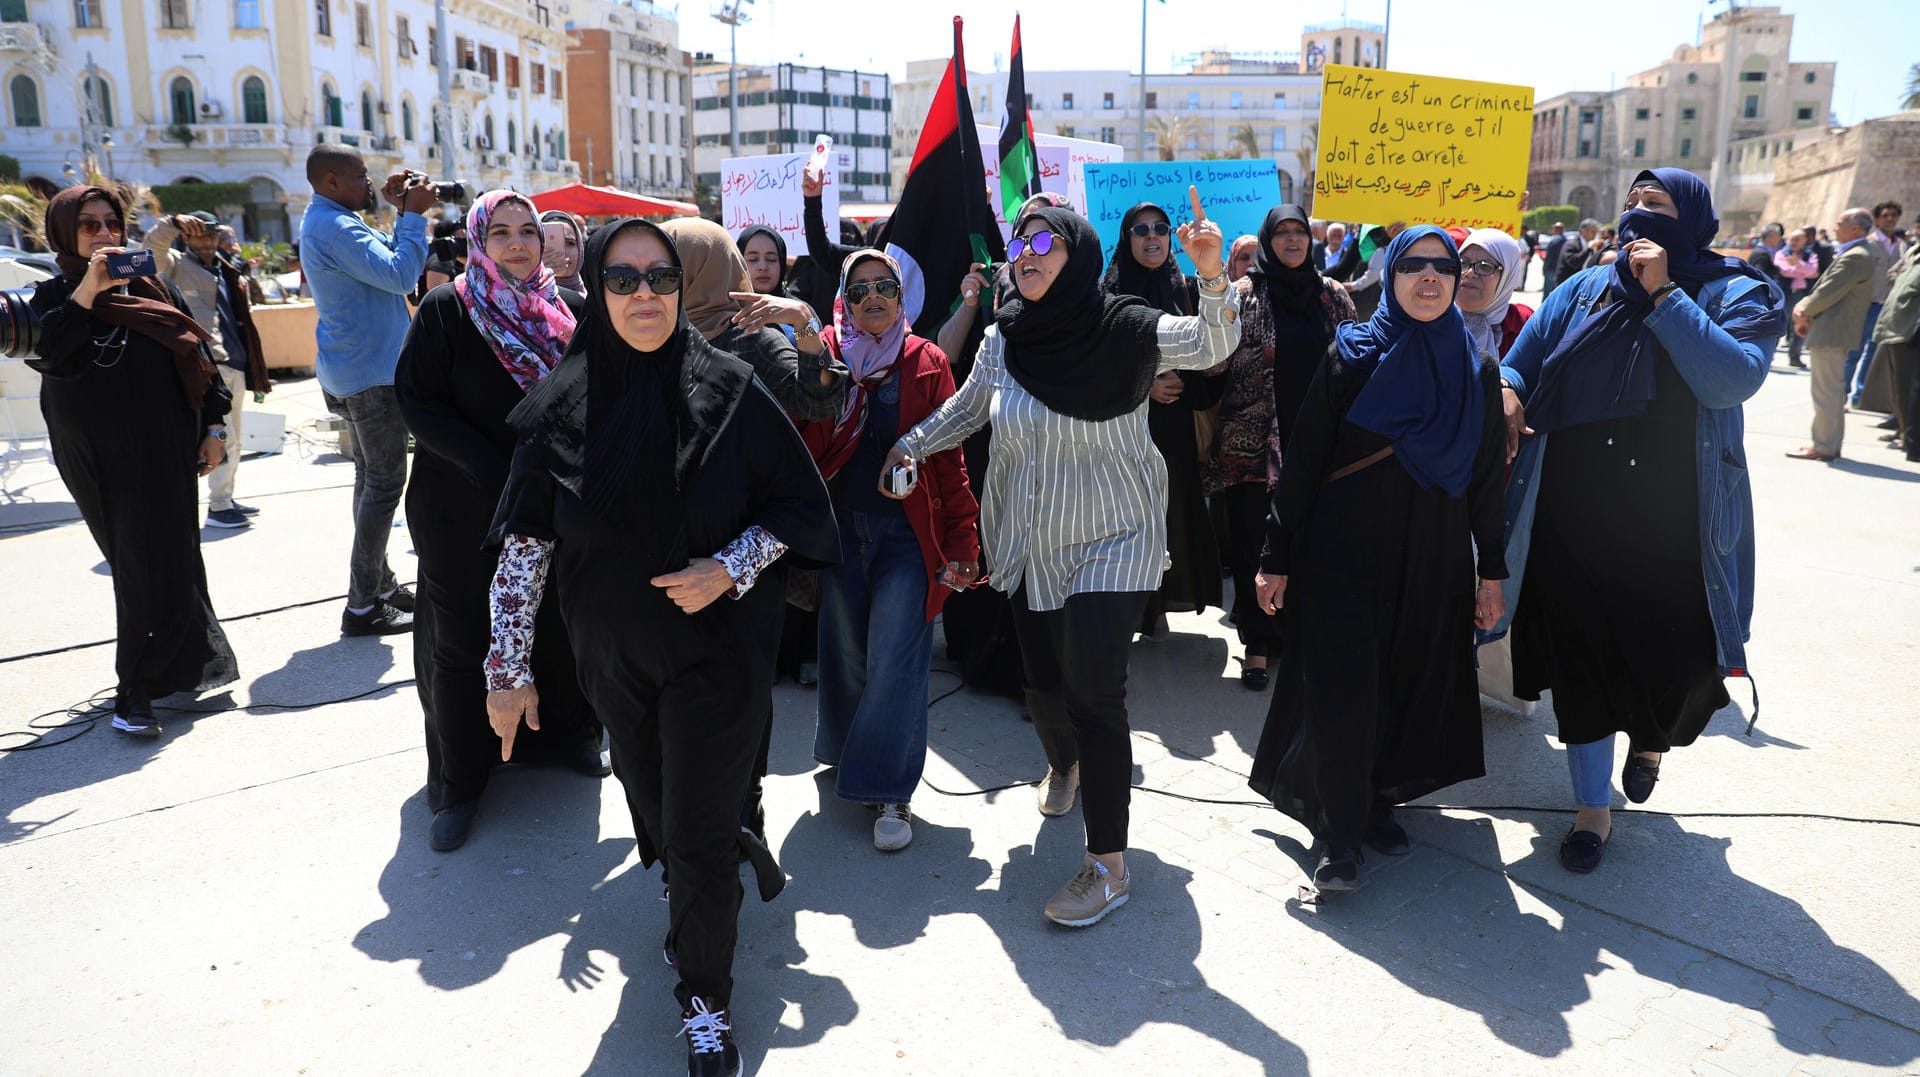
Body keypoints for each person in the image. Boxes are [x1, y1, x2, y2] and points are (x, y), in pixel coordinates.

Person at [483, 217, 838, 1076]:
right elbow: (524, 547)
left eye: (660, 277)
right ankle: (707, 854)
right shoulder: (560, 404)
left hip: (717, 655)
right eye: (622, 278)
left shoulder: (733, 388)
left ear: (683, 288)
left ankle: (706, 998)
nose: (644, 294)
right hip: (613, 663)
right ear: (595, 293)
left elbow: (799, 512)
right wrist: (507, 670)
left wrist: (729, 565)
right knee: (663, 817)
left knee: (698, 833)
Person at [886, 192, 1240, 927]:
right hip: (1029, 540)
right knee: (1045, 686)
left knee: (1095, 691)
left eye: (1047, 243)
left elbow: (1207, 346)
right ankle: (1064, 760)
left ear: (1076, 255)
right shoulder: (1002, 339)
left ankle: (1108, 863)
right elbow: (968, 409)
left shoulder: (1127, 327)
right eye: (1022, 243)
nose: (1030, 254)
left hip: (1116, 537)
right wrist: (911, 443)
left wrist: (1212, 279)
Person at [1495, 168, 1783, 874]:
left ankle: (1652, 740)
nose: (1636, 218)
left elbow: (1730, 377)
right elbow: (1519, 364)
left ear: (1692, 218)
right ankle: (1592, 809)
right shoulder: (1583, 288)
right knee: (1582, 667)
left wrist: (1663, 295)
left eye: (1654, 206)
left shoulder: (1738, 291)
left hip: (1675, 526)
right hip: (1575, 514)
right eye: (1629, 205)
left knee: (1678, 667)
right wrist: (1504, 390)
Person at [1245, 226, 1509, 892]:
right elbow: (1302, 462)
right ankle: (1337, 835)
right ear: (1388, 276)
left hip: (1433, 560)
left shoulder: (1474, 367)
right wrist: (1276, 553)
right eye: (1412, 265)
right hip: (1344, 555)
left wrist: (1493, 571)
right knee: (1343, 691)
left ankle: (1380, 799)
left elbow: (1483, 480)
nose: (1428, 277)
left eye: (1441, 267)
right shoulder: (1353, 354)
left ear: (1456, 280)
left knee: (1407, 682)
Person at [395, 190, 607, 853]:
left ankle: (566, 737)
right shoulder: (447, 308)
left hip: (548, 510)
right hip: (461, 507)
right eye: (503, 232)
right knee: (462, 640)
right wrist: (495, 469)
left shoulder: (568, 311)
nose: (518, 243)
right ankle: (461, 782)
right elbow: (418, 403)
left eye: (529, 231)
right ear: (478, 240)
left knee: (559, 624)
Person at [658, 215, 849, 851]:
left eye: (677, 267)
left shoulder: (756, 339)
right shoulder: (653, 336)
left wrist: (803, 328)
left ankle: (746, 802)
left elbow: (821, 402)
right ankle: (685, 817)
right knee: (681, 683)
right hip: (674, 542)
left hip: (747, 550)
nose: (666, 280)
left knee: (743, 686)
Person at [27, 185, 239, 737]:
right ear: (64, 234)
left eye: (111, 223)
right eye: (89, 225)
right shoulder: (48, 299)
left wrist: (215, 426)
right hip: (98, 456)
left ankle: (170, 672)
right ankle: (134, 693)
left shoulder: (153, 286)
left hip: (167, 445)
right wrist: (89, 291)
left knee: (174, 556)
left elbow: (196, 355)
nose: (104, 234)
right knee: (137, 562)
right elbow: (52, 356)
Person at [797, 248, 979, 851]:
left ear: (903, 298)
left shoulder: (926, 361)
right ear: (844, 300)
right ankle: (850, 754)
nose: (873, 298)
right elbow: (807, 442)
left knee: (898, 658)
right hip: (842, 530)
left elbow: (950, 455)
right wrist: (817, 371)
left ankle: (892, 790)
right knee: (845, 650)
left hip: (908, 535)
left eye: (885, 288)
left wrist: (962, 540)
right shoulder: (823, 355)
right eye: (859, 289)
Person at [1206, 205, 1355, 692]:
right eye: (1283, 233)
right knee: (1256, 546)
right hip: (1253, 447)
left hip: (1320, 447)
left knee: (1313, 545)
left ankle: (1301, 640)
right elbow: (1210, 361)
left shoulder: (1332, 296)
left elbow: (1357, 361)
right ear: (1269, 241)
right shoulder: (1243, 295)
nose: (1292, 240)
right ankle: (1258, 645)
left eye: (1299, 232)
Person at [300, 143, 434, 635]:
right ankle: (362, 606)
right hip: (372, 377)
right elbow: (401, 274)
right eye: (360, 177)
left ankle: (379, 582)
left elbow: (379, 263)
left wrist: (399, 210)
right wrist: (415, 217)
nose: (370, 183)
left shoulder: (330, 219)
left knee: (369, 480)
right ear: (332, 181)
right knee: (383, 485)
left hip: (354, 369)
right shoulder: (333, 227)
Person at [1102, 200, 1225, 638]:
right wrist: (1146, 384)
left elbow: (1212, 350)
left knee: (1170, 515)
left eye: (1160, 228)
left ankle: (1156, 606)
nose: (1152, 236)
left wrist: (1186, 378)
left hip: (1173, 429)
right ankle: (1129, 610)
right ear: (1126, 239)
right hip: (1126, 430)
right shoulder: (1109, 292)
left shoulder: (1186, 287)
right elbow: (1097, 360)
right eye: (1140, 230)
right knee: (1127, 519)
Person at [145, 210, 273, 529]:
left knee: (234, 439)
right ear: (187, 237)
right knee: (215, 437)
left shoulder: (225, 268)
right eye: (199, 233)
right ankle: (217, 506)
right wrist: (172, 224)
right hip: (203, 365)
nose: (207, 240)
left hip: (233, 363)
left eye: (212, 234)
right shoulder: (175, 265)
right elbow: (149, 252)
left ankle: (225, 498)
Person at [1788, 208, 1876, 462]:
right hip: (1835, 331)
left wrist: (1802, 309)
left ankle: (1824, 445)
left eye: (1840, 223)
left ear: (1856, 229)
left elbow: (1828, 291)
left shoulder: (1856, 255)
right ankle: (1829, 443)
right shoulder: (1858, 253)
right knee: (1833, 392)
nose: (1835, 227)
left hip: (1832, 331)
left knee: (1826, 392)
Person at [1849, 200, 1906, 405]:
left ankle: (1861, 396)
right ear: (1877, 219)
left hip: (1887, 307)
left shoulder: (1901, 246)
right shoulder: (1869, 243)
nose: (1890, 219)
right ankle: (1843, 393)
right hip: (1866, 305)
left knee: (1873, 354)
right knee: (1854, 351)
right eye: (1885, 215)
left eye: (1893, 215)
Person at [1868, 241, 1920, 454]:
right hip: (1894, 327)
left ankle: (1909, 434)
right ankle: (1902, 429)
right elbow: (1893, 276)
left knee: (1908, 388)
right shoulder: (1912, 252)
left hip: (1909, 330)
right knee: (1898, 389)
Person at [1455, 227, 1533, 363]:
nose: (1469, 272)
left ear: (1507, 276)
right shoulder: (1430, 318)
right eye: (1463, 263)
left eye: (1485, 266)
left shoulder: (1523, 325)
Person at [1773, 230, 1820, 369]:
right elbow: (1784, 270)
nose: (1794, 242)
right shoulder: (1782, 253)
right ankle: (1769, 355)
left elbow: (1814, 270)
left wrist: (1798, 264)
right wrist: (1804, 271)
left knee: (1801, 325)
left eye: (1797, 239)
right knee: (1778, 324)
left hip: (1802, 294)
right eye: (1792, 239)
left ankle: (1795, 357)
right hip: (1785, 293)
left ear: (1805, 240)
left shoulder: (1810, 255)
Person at [736, 224, 791, 301]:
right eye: (753, 259)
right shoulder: (725, 309)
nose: (763, 267)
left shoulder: (800, 311)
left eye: (771, 259)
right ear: (739, 262)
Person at [539, 209, 586, 293]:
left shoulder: (595, 296)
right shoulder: (519, 299)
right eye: (549, 244)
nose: (563, 252)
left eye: (570, 243)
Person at [1541, 222, 1571, 296]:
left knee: (1547, 293)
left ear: (1556, 230)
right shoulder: (1567, 241)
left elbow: (1548, 258)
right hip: (1562, 271)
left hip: (1551, 270)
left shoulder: (1554, 241)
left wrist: (1544, 269)